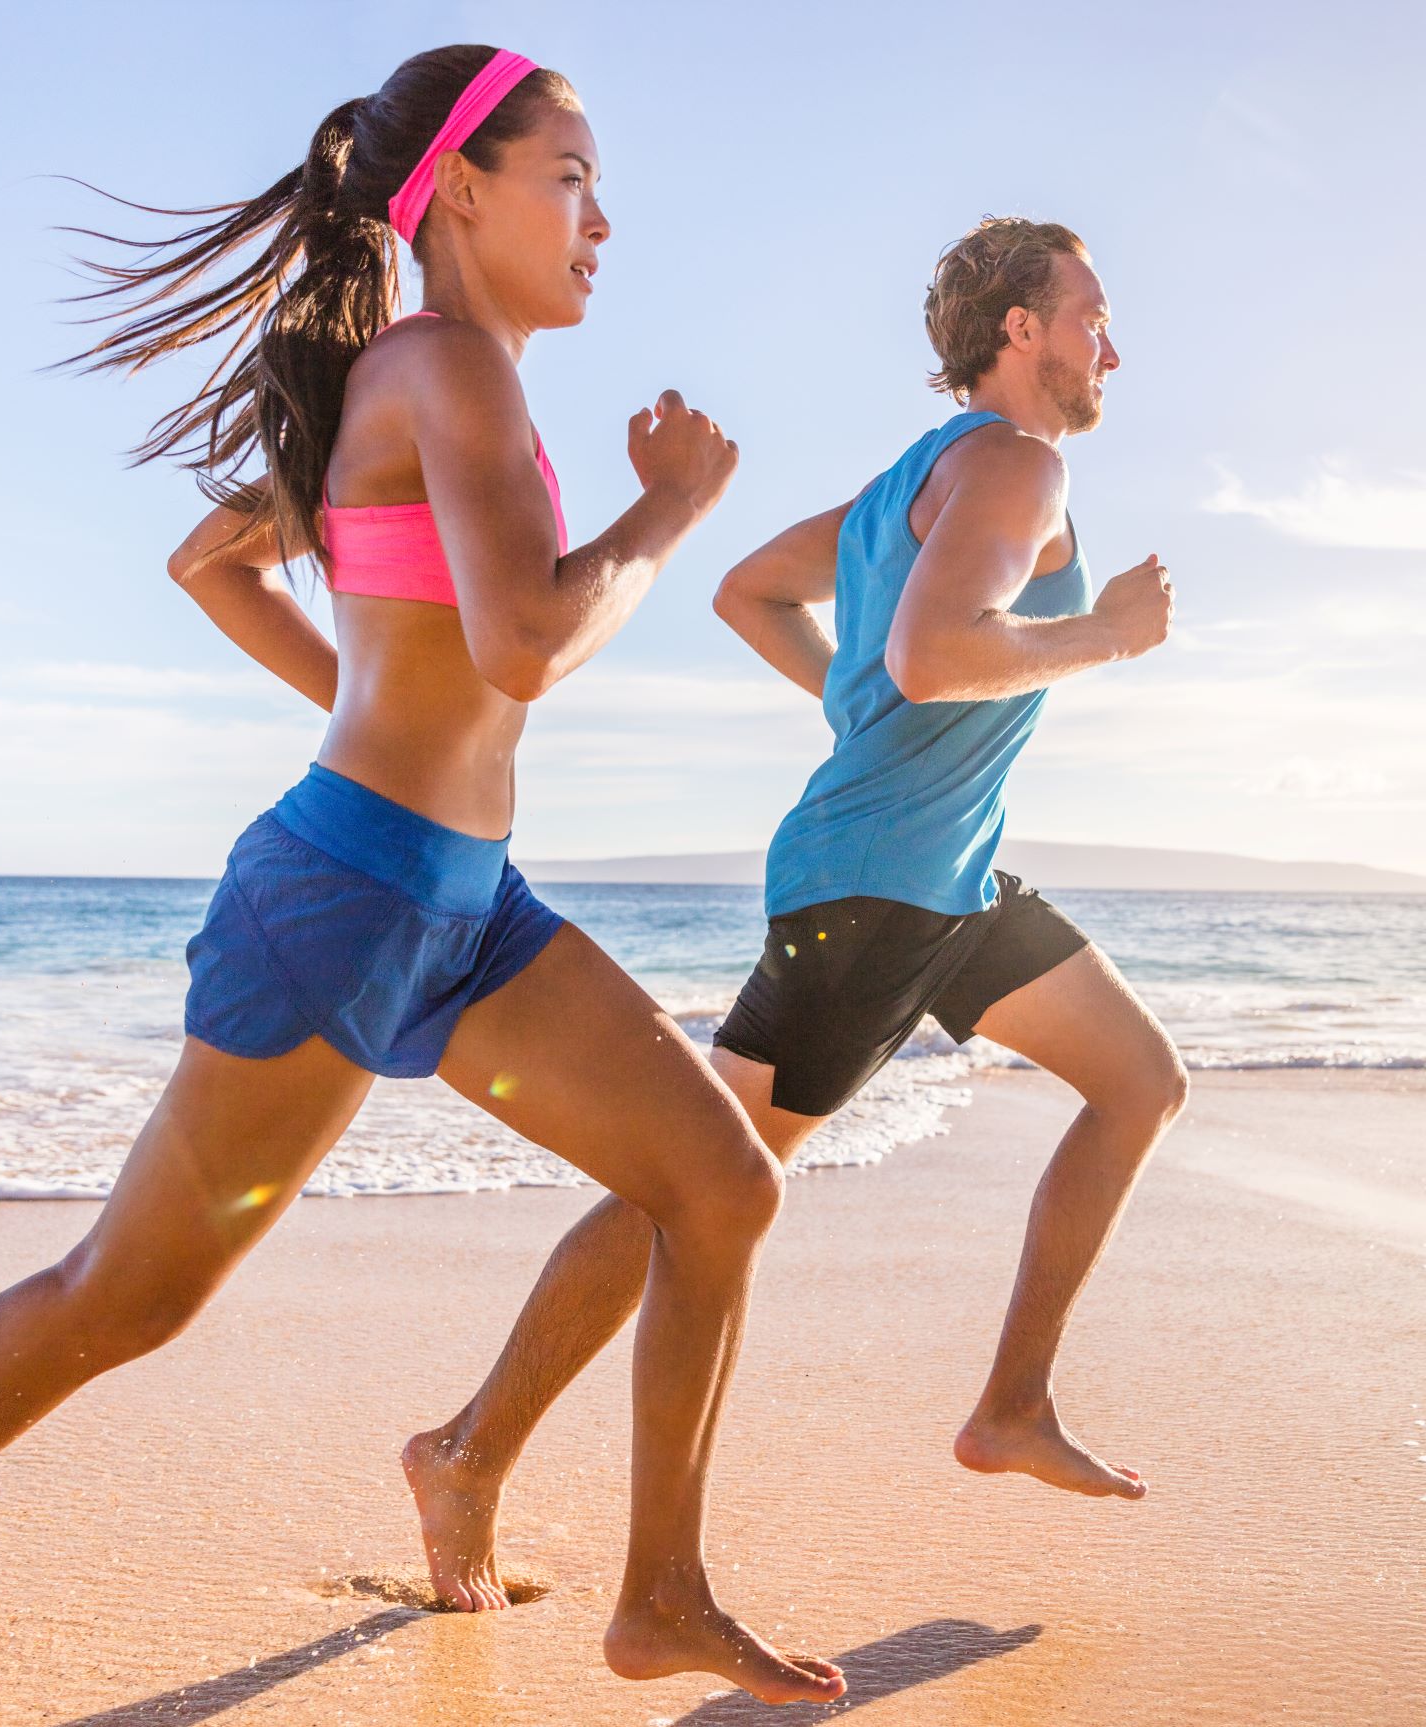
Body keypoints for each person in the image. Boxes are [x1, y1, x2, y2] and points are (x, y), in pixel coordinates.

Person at [0, 46, 846, 1725]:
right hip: (341, 903)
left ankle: (660, 1593)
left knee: (723, 1187)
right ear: (461, 187)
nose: (602, 218)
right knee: (126, 1299)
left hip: (462, 905)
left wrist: (372, 702)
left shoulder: (428, 381)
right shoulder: (445, 364)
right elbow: (525, 643)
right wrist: (668, 511)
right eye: (571, 176)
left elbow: (211, 562)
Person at [399, 217, 1187, 1615]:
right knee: (688, 1193)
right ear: (1020, 332)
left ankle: (1013, 1402)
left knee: (1138, 1081)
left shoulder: (914, 481)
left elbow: (749, 591)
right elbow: (939, 653)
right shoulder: (1016, 463)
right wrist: (1106, 636)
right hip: (870, 895)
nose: (1109, 345)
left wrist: (852, 705)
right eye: (1090, 315)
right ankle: (467, 1451)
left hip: (945, 882)